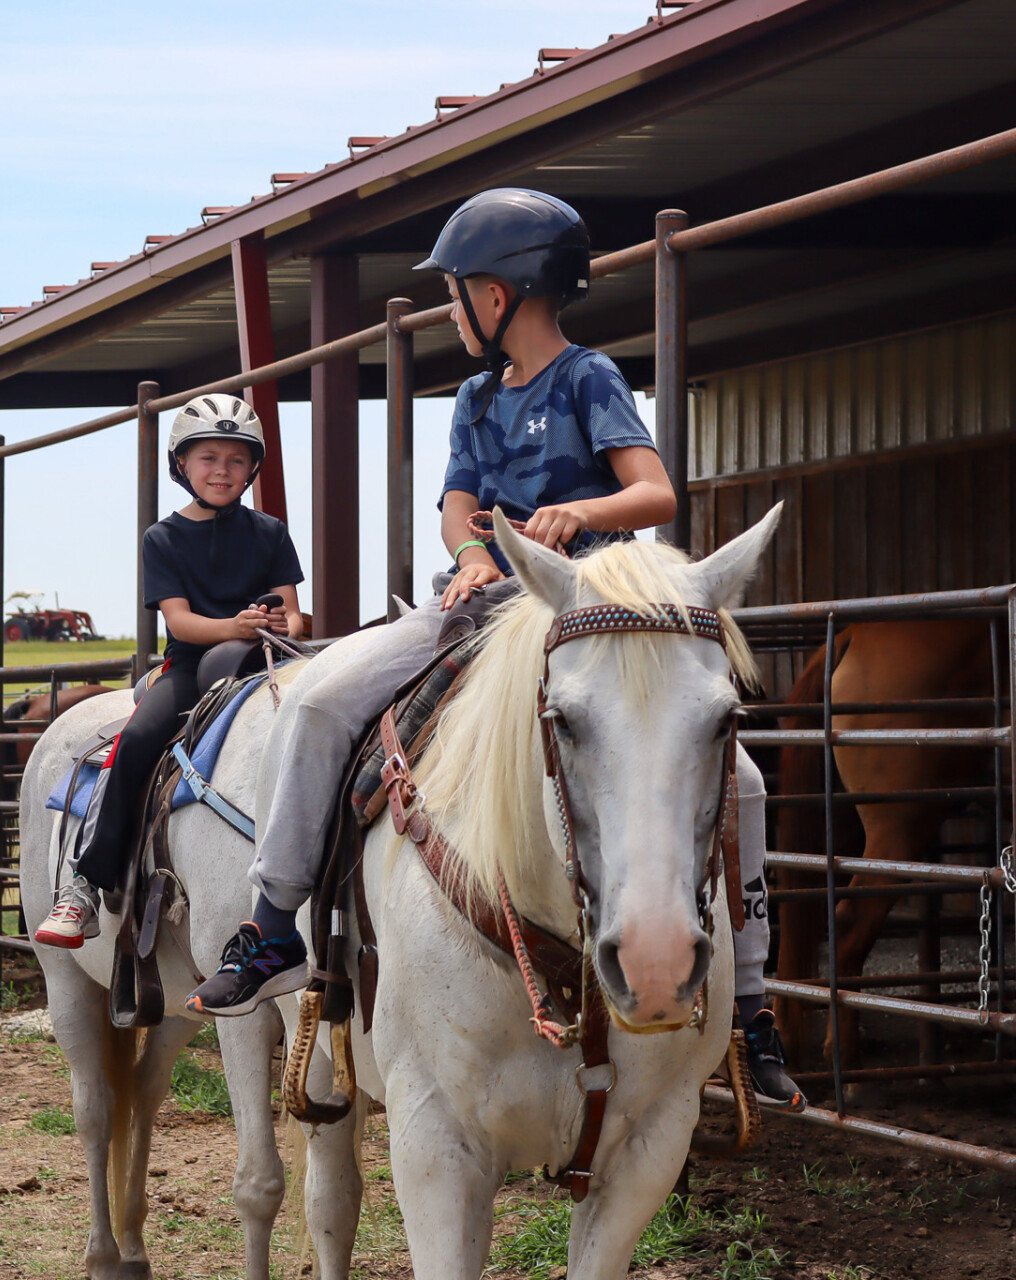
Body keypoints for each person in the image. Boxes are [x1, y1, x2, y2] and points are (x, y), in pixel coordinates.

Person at [182, 188, 803, 1112]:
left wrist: (581, 514)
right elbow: (454, 509)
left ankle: (748, 1005)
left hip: (589, 612)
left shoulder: (588, 378)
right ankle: (273, 922)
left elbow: (656, 493)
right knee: (315, 702)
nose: (451, 308)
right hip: (480, 605)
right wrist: (472, 552)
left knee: (741, 784)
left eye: (459, 290)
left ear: (503, 292)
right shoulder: (474, 396)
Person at [33, 393, 304, 950]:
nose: (222, 471)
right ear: (182, 464)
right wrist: (237, 625)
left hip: (266, 659)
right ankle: (84, 883)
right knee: (134, 742)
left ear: (253, 467)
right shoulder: (163, 538)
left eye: (235, 459)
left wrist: (281, 625)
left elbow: (294, 614)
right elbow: (179, 622)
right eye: (208, 458)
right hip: (190, 666)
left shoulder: (271, 532)